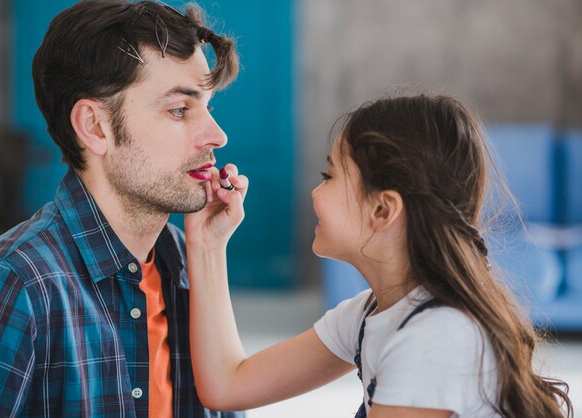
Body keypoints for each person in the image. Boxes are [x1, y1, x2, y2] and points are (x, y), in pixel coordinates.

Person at [184, 93, 573, 417]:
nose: (315, 194)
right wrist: (208, 244)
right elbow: (227, 385)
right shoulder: (371, 314)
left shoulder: (435, 338)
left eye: (329, 176)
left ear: (383, 210)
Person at [0, 1, 244, 417]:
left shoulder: (185, 258)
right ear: (94, 126)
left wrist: (210, 252)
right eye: (180, 110)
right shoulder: (16, 283)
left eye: (208, 108)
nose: (217, 136)